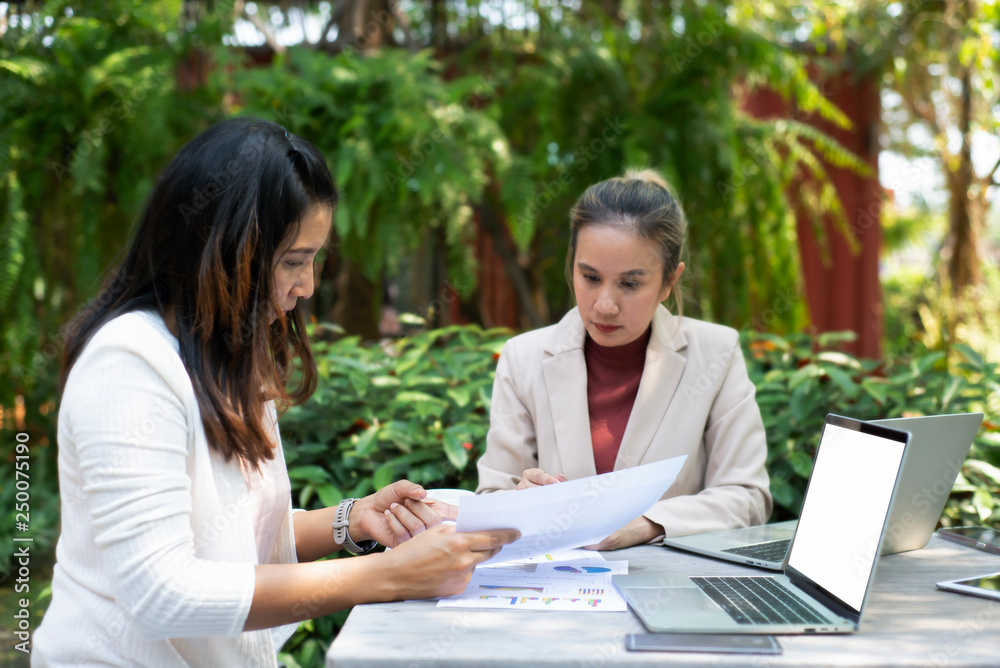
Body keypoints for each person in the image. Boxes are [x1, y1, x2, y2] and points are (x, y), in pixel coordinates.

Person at [32, 118, 518, 668]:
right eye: (293, 261)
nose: (307, 285)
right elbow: (163, 595)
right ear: (217, 248)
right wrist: (386, 576)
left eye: (313, 260)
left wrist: (353, 520)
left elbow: (232, 538)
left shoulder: (226, 355)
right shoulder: (128, 365)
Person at [476, 168, 771, 550]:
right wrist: (524, 500)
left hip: (673, 592)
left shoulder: (715, 353)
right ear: (573, 266)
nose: (604, 305)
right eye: (590, 277)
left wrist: (649, 523)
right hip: (557, 594)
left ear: (669, 281)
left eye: (630, 284)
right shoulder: (524, 358)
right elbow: (491, 500)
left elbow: (748, 498)